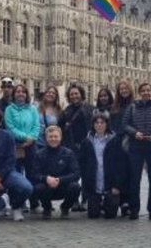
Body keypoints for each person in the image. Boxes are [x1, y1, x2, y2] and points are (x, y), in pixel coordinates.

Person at [122, 82, 151, 220]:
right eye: (143, 90)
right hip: (136, 147)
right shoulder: (132, 107)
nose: (146, 92)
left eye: (148, 90)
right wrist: (134, 133)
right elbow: (125, 124)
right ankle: (134, 208)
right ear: (139, 92)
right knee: (135, 179)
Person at [80, 113, 125, 219]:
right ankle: (97, 203)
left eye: (102, 122)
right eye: (96, 123)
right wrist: (87, 186)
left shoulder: (115, 140)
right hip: (94, 183)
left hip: (111, 183)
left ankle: (108, 202)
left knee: (110, 215)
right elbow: (82, 163)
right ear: (93, 125)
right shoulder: (87, 141)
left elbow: (121, 164)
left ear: (107, 124)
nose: (99, 125)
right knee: (93, 215)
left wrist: (117, 186)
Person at [32, 126, 81, 219]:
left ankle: (65, 207)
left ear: (60, 137)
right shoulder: (39, 154)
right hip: (47, 187)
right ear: (46, 138)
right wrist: (46, 178)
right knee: (38, 188)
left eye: (56, 136)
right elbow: (35, 174)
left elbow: (76, 173)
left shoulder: (69, 153)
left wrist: (60, 180)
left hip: (64, 186)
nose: (53, 139)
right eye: (50, 137)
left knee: (76, 187)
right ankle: (47, 208)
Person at [59, 84, 93, 212]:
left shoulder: (90, 108)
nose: (74, 96)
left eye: (76, 93)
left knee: (87, 174)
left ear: (81, 94)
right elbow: (60, 128)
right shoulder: (66, 111)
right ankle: (74, 200)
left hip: (87, 146)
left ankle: (85, 199)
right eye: (72, 94)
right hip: (72, 147)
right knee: (73, 175)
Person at [110, 81, 134, 217]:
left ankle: (130, 202)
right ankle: (122, 202)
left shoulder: (135, 105)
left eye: (126, 88)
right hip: (117, 142)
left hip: (131, 142)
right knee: (120, 172)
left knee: (131, 173)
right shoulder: (115, 107)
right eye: (121, 89)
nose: (124, 90)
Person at [4, 84, 39, 178]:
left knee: (32, 171)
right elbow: (10, 128)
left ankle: (32, 191)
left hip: (31, 144)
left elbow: (36, 126)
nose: (21, 94)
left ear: (27, 94)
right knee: (17, 172)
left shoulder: (33, 108)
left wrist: (31, 138)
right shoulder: (9, 109)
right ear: (14, 94)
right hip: (16, 145)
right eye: (18, 92)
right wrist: (25, 137)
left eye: (23, 92)